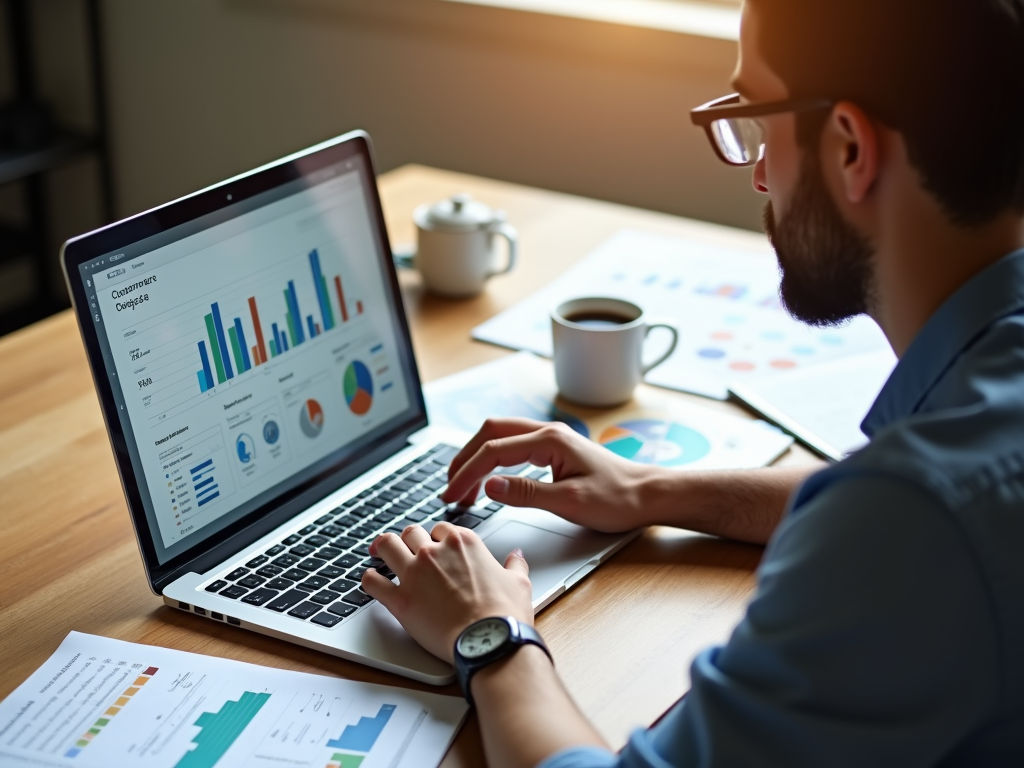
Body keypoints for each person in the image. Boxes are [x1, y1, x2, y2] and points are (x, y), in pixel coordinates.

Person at [360, 0, 1024, 765]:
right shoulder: (953, 475)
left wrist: (492, 635)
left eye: (758, 121)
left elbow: (910, 518)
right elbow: (924, 499)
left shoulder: (913, 523)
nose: (762, 172)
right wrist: (655, 490)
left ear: (849, 148)